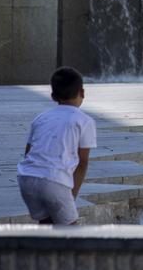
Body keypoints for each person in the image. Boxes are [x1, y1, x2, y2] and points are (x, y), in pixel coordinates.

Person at [17, 67, 96, 225]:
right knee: (70, 232)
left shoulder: (41, 118)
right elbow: (83, 162)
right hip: (54, 181)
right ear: (82, 92)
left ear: (53, 95)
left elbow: (28, 152)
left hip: (26, 178)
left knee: (46, 225)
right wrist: (71, 197)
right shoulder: (84, 121)